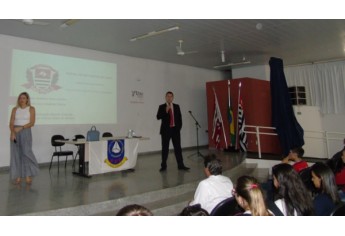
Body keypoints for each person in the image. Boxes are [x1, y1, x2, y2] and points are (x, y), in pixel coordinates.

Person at [9, 92, 39, 185]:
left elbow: (32, 123)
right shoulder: (15, 109)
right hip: (15, 132)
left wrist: (21, 128)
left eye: (24, 98)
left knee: (26, 153)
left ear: (27, 99)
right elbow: (11, 122)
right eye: (20, 98)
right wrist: (13, 132)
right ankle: (18, 176)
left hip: (25, 130)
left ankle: (28, 175)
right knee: (16, 154)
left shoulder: (31, 109)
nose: (22, 100)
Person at [156, 91, 189, 171]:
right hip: (166, 131)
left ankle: (180, 165)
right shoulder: (162, 107)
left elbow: (179, 118)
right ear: (165, 97)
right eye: (168, 96)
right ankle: (163, 165)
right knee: (165, 149)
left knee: (178, 148)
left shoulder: (177, 106)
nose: (169, 98)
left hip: (175, 130)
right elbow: (158, 117)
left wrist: (178, 128)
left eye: (171, 96)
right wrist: (165, 111)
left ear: (173, 98)